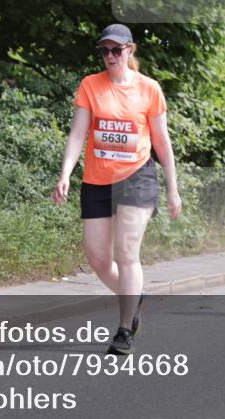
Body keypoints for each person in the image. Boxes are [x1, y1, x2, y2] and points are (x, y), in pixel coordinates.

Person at [51, 24, 182, 355]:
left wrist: (173, 188)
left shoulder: (148, 89)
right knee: (97, 257)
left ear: (130, 51)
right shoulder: (90, 85)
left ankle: (125, 329)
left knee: (126, 251)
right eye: (104, 51)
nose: (110, 56)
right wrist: (65, 173)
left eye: (116, 50)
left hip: (137, 177)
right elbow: (78, 134)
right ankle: (134, 295)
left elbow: (162, 142)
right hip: (97, 180)